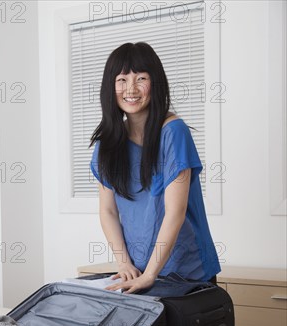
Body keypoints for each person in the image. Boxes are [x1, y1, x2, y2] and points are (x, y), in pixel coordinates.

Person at [89, 42, 220, 294]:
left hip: (184, 273)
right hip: (137, 272)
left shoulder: (173, 132)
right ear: (110, 86)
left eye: (141, 78)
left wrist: (150, 275)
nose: (131, 88)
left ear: (155, 83)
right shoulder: (108, 142)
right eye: (122, 79)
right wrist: (124, 263)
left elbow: (175, 212)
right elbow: (107, 211)